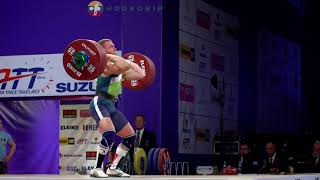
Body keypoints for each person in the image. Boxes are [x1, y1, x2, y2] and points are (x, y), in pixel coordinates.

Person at [89, 38, 145, 177]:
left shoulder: (118, 69)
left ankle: (112, 168)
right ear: (103, 50)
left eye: (114, 46)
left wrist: (129, 61)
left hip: (112, 105)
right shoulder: (105, 66)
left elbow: (141, 74)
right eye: (110, 46)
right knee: (109, 134)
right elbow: (123, 67)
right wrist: (104, 55)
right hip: (100, 102)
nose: (114, 48)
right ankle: (96, 168)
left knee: (130, 137)